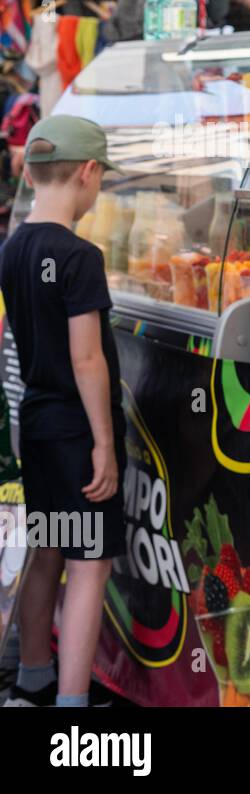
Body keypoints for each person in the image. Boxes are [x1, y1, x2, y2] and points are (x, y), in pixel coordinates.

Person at [0, 116, 125, 707]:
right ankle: (72, 712)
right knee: (90, 566)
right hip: (77, 434)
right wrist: (104, 442)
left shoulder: (14, 246)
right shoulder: (79, 256)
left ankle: (31, 680)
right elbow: (88, 360)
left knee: (46, 551)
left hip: (39, 427)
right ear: (88, 172)